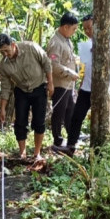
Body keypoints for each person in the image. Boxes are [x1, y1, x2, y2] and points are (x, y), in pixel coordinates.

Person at [56, 13, 110, 156]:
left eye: (89, 28)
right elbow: (86, 66)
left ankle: (100, 151)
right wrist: (81, 83)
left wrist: (101, 53)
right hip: (86, 87)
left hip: (102, 89)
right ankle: (71, 146)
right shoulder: (87, 44)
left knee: (99, 121)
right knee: (77, 117)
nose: (87, 32)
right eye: (84, 29)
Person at [0, 33, 54, 160]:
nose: (5, 54)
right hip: (21, 90)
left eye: (6, 50)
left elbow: (46, 62)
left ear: (13, 45)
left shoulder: (30, 48)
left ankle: (37, 153)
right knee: (20, 122)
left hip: (39, 87)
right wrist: (3, 108)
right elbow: (5, 87)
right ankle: (22, 153)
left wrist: (50, 83)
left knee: (39, 121)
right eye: (2, 52)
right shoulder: (3, 65)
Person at [46, 13, 80, 151]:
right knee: (59, 112)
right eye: (74, 29)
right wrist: (69, 72)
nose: (75, 32)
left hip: (69, 84)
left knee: (70, 110)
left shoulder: (67, 40)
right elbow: (53, 65)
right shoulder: (55, 42)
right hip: (60, 83)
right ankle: (58, 139)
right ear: (66, 27)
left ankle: (72, 135)